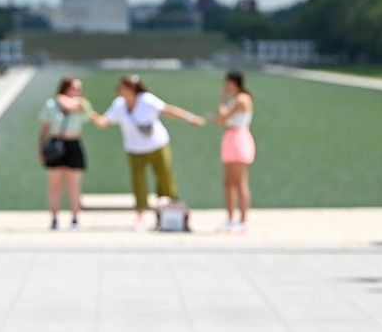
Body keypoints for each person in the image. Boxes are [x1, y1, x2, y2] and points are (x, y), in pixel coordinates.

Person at [94, 75, 205, 232]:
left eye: (122, 87)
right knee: (138, 183)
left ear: (131, 89)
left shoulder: (146, 99)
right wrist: (91, 115)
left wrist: (190, 118)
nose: (118, 90)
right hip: (134, 149)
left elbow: (168, 110)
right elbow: (105, 121)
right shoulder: (118, 105)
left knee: (165, 179)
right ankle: (140, 217)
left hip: (157, 146)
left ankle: (166, 214)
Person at [38, 77, 100, 231]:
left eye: (79, 89)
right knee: (55, 185)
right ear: (65, 88)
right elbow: (44, 128)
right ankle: (54, 218)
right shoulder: (51, 104)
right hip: (56, 143)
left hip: (74, 144)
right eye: (74, 88)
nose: (78, 91)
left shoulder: (82, 105)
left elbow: (91, 116)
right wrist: (41, 149)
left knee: (74, 185)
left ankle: (75, 218)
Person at [215, 71, 255, 233]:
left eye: (227, 83)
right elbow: (223, 120)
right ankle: (230, 219)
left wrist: (222, 99)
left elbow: (223, 117)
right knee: (228, 182)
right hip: (230, 138)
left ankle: (243, 221)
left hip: (239, 139)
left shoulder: (242, 99)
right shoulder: (236, 99)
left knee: (240, 182)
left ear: (233, 82)